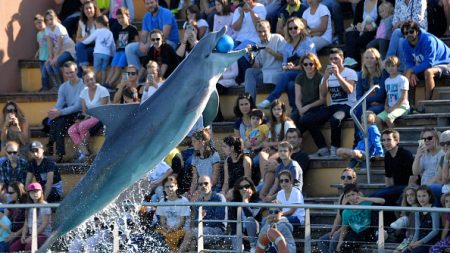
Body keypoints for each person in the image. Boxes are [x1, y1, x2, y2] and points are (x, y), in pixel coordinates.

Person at [303, 48, 358, 157]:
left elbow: (349, 90)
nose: (333, 61)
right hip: (333, 106)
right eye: (331, 59)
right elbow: (323, 94)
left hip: (348, 106)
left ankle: (335, 148)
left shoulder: (350, 72)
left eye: (336, 59)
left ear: (342, 59)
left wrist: (338, 75)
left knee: (335, 119)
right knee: (307, 120)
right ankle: (323, 148)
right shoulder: (326, 74)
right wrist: (326, 78)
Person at [257, 17, 316, 110]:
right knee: (290, 84)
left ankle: (271, 98)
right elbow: (283, 64)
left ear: (301, 28)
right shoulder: (287, 45)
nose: (293, 30)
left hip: (307, 72)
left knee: (286, 77)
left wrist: (295, 67)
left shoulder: (307, 42)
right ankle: (295, 109)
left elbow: (311, 62)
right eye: (290, 28)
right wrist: (287, 66)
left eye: (295, 27)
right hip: (293, 74)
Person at [371, 129, 414, 223]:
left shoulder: (405, 154)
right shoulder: (387, 155)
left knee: (378, 195)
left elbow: (413, 176)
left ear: (397, 140)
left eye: (388, 139)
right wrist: (388, 192)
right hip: (395, 187)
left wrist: (407, 192)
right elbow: (388, 177)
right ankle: (379, 230)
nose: (386, 143)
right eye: (383, 140)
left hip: (406, 187)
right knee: (375, 197)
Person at [402, 20, 450, 102]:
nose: (409, 35)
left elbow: (429, 63)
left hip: (445, 63)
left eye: (411, 31)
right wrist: (412, 72)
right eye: (406, 33)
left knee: (428, 72)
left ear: (417, 31)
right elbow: (409, 62)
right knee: (407, 74)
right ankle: (410, 106)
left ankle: (428, 103)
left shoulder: (428, 40)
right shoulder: (405, 43)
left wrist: (412, 70)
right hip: (430, 65)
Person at [68, 70, 110, 162]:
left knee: (83, 125)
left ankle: (83, 154)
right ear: (84, 82)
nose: (90, 82)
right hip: (90, 118)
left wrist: (86, 119)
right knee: (71, 130)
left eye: (92, 79)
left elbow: (103, 110)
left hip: (102, 117)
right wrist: (81, 119)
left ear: (95, 79)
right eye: (87, 80)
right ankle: (85, 153)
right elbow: (84, 111)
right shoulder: (83, 92)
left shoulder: (103, 90)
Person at [124, 0, 179, 71]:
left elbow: (165, 35)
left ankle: (155, 76)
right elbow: (144, 35)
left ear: (157, 2)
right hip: (152, 42)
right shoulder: (146, 16)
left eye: (151, 2)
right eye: (147, 3)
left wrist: (149, 44)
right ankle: (137, 76)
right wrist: (141, 44)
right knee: (129, 48)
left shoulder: (166, 13)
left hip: (169, 43)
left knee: (153, 46)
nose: (150, 5)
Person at [47, 61, 84, 162]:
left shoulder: (83, 85)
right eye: (67, 73)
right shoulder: (63, 87)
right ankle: (59, 153)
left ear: (76, 70)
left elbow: (77, 106)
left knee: (59, 121)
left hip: (80, 113)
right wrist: (54, 111)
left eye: (71, 72)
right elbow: (59, 104)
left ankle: (52, 146)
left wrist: (60, 112)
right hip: (67, 113)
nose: (69, 75)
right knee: (54, 120)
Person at [258, 100, 295, 197]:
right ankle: (264, 180)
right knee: (262, 154)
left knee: (271, 159)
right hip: (275, 149)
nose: (276, 111)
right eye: (274, 109)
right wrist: (267, 145)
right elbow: (269, 140)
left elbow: (287, 141)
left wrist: (272, 143)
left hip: (284, 150)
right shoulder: (272, 124)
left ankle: (267, 184)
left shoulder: (287, 123)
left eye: (279, 109)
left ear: (283, 110)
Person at [179, 175, 226, 252]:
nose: (203, 186)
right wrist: (200, 218)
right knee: (193, 243)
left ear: (211, 184)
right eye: (200, 184)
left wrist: (203, 220)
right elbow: (197, 222)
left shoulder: (219, 197)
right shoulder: (199, 201)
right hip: (203, 230)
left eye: (206, 183)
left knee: (190, 233)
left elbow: (219, 221)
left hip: (218, 231)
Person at [317, 168, 357, 253]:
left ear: (354, 180)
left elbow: (351, 221)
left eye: (349, 177)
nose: (345, 180)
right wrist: (332, 231)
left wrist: (337, 232)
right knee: (322, 241)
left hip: (352, 229)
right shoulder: (342, 196)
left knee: (334, 241)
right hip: (342, 228)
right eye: (343, 177)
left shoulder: (356, 195)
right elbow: (338, 217)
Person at [336, 184, 385, 252]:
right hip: (355, 233)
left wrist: (363, 199)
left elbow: (382, 201)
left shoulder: (366, 204)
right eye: (348, 196)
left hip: (367, 231)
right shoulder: (346, 212)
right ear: (346, 198)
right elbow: (344, 228)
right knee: (343, 246)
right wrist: (340, 241)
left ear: (358, 194)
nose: (351, 197)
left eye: (353, 194)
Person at [244, 20, 284, 102]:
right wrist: (251, 56)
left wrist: (271, 52)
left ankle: (249, 103)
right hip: (264, 74)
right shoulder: (257, 44)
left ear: (269, 29)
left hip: (277, 73)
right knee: (249, 71)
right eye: (259, 32)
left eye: (264, 31)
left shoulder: (278, 38)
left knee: (251, 75)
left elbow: (285, 58)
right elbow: (257, 66)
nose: (262, 34)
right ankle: (249, 103)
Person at [293, 53, 325, 152]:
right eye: (305, 64)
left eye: (311, 64)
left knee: (306, 120)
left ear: (315, 64)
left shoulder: (320, 77)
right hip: (303, 107)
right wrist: (300, 109)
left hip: (318, 107)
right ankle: (294, 146)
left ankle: (322, 147)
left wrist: (306, 108)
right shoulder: (300, 77)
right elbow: (297, 98)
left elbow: (322, 99)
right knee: (293, 117)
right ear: (302, 65)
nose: (308, 66)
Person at [354, 48, 386, 144]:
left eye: (372, 58)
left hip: (381, 104)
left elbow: (380, 96)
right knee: (357, 112)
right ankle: (358, 141)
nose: (369, 60)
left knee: (367, 114)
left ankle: (371, 143)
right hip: (368, 104)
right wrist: (369, 98)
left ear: (377, 60)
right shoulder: (361, 75)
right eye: (366, 58)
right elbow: (358, 96)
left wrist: (366, 96)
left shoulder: (383, 73)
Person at [9, 182, 51, 251]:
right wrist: (23, 235)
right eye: (32, 192)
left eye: (37, 191)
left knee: (29, 247)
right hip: (31, 234)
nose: (35, 194)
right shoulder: (29, 206)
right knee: (13, 248)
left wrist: (32, 237)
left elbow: (44, 225)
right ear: (29, 194)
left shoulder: (45, 206)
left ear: (41, 192)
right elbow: (26, 222)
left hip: (43, 235)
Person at [104, 7, 139, 90]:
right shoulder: (119, 29)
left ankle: (111, 83)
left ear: (128, 16)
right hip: (119, 51)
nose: (120, 20)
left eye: (122, 17)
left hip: (125, 52)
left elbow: (137, 42)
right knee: (113, 66)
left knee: (118, 67)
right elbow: (117, 42)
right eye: (118, 18)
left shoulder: (132, 28)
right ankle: (106, 83)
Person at [385, 0, 427, 66]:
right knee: (401, 41)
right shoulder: (398, 1)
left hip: (417, 31)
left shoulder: (420, 1)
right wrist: (400, 24)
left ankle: (388, 61)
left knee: (397, 34)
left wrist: (401, 23)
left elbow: (417, 20)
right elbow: (395, 21)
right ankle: (400, 68)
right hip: (402, 31)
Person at [155, 176, 190, 252]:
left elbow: (182, 222)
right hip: (167, 229)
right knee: (156, 235)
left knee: (169, 238)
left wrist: (172, 229)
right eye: (167, 187)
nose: (169, 189)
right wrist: (166, 228)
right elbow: (162, 220)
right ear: (164, 189)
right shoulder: (162, 202)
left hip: (180, 229)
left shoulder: (183, 201)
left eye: (171, 186)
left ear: (176, 187)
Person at [44, 9, 76, 88]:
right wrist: (50, 57)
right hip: (58, 49)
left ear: (55, 18)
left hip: (68, 48)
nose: (49, 21)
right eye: (47, 20)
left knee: (56, 62)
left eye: (51, 19)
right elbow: (50, 44)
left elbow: (60, 43)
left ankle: (61, 86)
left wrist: (56, 57)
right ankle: (56, 85)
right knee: (48, 65)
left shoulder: (59, 28)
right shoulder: (47, 28)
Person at [402, 185, 440, 253]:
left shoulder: (434, 210)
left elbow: (435, 231)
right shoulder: (418, 210)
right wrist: (413, 242)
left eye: (424, 196)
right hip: (419, 240)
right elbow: (417, 229)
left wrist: (420, 242)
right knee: (405, 251)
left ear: (429, 196)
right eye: (419, 196)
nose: (421, 199)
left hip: (430, 241)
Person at [343, 0, 380, 68]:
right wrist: (358, 25)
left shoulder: (380, 2)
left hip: (375, 32)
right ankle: (352, 61)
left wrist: (373, 26)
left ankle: (353, 64)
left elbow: (383, 18)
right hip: (362, 31)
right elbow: (356, 22)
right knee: (350, 35)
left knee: (354, 41)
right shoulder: (360, 3)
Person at [80, 15, 115, 85]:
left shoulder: (98, 31)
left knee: (96, 70)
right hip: (106, 54)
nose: (96, 26)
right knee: (103, 70)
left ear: (99, 23)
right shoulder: (110, 33)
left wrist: (82, 42)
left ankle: (92, 83)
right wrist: (113, 54)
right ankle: (103, 83)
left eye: (96, 24)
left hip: (97, 53)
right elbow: (112, 45)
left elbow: (90, 39)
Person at [375, 56, 409, 130]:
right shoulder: (387, 81)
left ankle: (394, 138)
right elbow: (388, 95)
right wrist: (386, 106)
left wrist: (393, 108)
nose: (390, 68)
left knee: (388, 118)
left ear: (397, 66)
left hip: (402, 107)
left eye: (393, 66)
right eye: (388, 66)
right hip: (390, 107)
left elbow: (403, 97)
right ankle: (383, 139)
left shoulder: (402, 79)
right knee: (377, 119)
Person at [228, 176, 261, 252]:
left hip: (255, 235)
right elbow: (233, 224)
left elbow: (252, 215)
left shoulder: (257, 201)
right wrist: (242, 236)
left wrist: (245, 200)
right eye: (241, 187)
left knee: (249, 219)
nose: (244, 189)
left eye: (246, 186)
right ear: (237, 189)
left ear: (252, 188)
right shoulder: (233, 204)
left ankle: (253, 248)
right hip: (239, 234)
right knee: (236, 238)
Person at [412, 127, 444, 201]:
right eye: (424, 139)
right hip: (424, 187)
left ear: (436, 138)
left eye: (429, 138)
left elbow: (438, 176)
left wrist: (425, 188)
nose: (426, 141)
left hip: (437, 185)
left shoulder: (442, 153)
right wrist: (417, 156)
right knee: (408, 192)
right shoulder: (424, 154)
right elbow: (415, 172)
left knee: (430, 190)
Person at [190, 129, 221, 194]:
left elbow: (214, 180)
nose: (192, 144)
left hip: (214, 188)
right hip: (201, 187)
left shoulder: (214, 155)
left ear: (201, 142)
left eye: (194, 141)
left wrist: (201, 190)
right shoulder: (195, 157)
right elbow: (195, 179)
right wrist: (191, 193)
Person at [74, 0, 101, 75]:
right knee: (78, 46)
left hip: (97, 48)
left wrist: (90, 38)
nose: (88, 10)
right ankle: (85, 70)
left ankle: (83, 77)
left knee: (78, 57)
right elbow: (77, 39)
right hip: (86, 48)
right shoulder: (81, 22)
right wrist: (85, 39)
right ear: (83, 11)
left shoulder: (100, 20)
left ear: (94, 9)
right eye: (86, 8)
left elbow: (104, 37)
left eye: (90, 8)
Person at [392, 186, 419, 252]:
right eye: (407, 195)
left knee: (397, 252)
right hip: (408, 239)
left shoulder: (418, 209)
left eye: (412, 195)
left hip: (415, 239)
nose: (409, 197)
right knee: (395, 251)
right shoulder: (409, 210)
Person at [4, 182, 27, 247]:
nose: (9, 195)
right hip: (10, 232)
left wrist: (15, 235)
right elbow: (4, 220)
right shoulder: (10, 204)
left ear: (19, 191)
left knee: (11, 247)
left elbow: (27, 224)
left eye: (11, 193)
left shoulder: (27, 205)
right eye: (8, 193)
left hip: (22, 234)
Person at [34, 14, 50, 92]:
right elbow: (40, 45)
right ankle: (44, 86)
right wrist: (37, 52)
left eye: (40, 22)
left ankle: (46, 87)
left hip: (48, 56)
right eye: (37, 23)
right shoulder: (38, 34)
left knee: (45, 73)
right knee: (42, 73)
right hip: (41, 57)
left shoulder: (48, 31)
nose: (39, 25)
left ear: (45, 22)